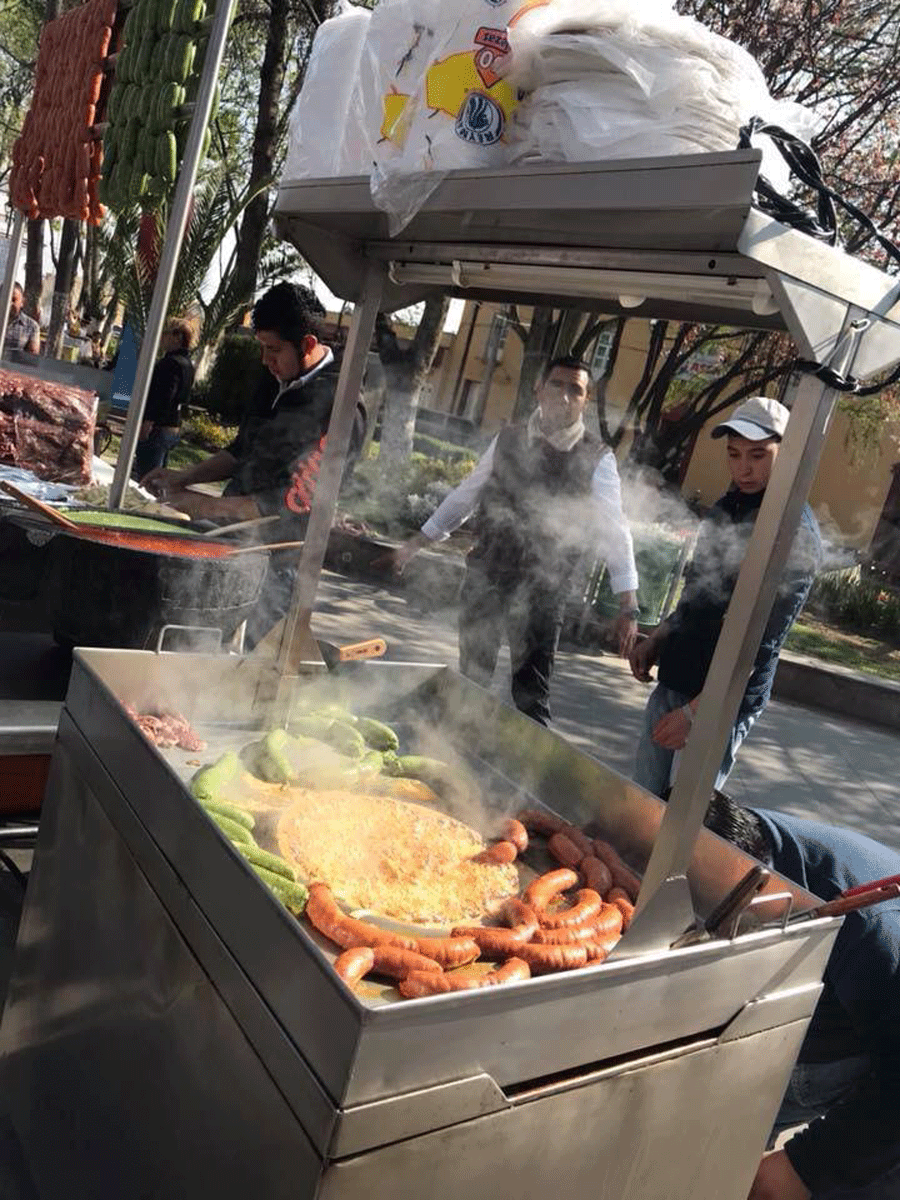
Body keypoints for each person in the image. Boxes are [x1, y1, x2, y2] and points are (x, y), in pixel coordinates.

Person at [392, 356, 640, 725]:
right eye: (557, 384)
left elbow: (614, 531)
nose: (565, 396)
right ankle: (453, 747)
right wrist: (414, 545)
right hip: (486, 575)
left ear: (585, 401)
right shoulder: (508, 439)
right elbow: (465, 496)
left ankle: (527, 762)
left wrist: (628, 605)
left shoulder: (597, 457)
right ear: (538, 389)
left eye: (576, 390)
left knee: (530, 697)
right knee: (471, 678)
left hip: (544, 591)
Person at [142, 282, 366, 644]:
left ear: (308, 344)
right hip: (231, 542)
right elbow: (242, 449)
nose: (265, 360)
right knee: (193, 640)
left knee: (244, 660)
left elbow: (292, 503)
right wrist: (184, 477)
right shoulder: (273, 377)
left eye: (273, 350)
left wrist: (203, 505)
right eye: (261, 348)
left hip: (277, 564)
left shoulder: (341, 409)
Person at [702, 792, 900, 1200]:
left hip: (863, 1058)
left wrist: (804, 1168)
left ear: (757, 883)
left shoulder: (872, 932)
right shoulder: (734, 837)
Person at [629, 396, 821, 796]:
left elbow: (758, 645)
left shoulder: (795, 533)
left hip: (718, 706)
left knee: (680, 815)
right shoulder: (725, 507)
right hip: (676, 680)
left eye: (758, 455)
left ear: (788, 454)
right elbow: (696, 594)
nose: (743, 468)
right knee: (641, 804)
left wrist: (693, 715)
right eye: (734, 454)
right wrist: (658, 637)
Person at [133, 318, 196, 479]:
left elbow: (164, 396)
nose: (162, 337)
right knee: (158, 474)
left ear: (177, 337)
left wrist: (148, 422)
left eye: (166, 333)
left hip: (157, 427)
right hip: (172, 425)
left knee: (147, 477)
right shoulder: (187, 364)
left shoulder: (169, 364)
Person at [4, 283, 40, 355]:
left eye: (13, 300)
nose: (9, 303)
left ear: (22, 302)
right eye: (5, 299)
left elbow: (32, 356)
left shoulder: (31, 326)